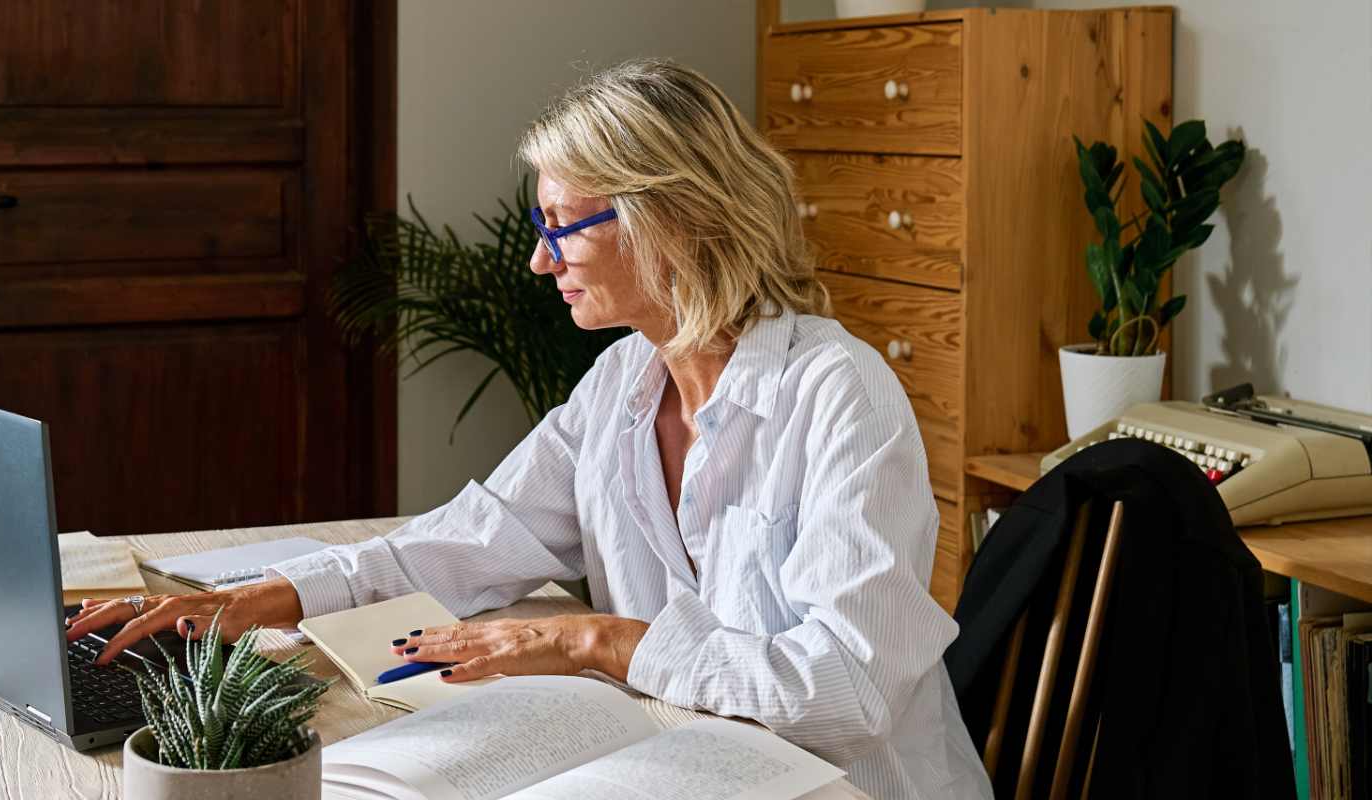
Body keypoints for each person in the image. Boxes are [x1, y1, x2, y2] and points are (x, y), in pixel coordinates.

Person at [67, 58, 991, 798]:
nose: (540, 259)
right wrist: (257, 601)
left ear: (669, 217)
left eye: (561, 226)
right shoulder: (625, 381)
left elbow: (850, 691)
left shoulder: (840, 395)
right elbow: (467, 541)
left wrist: (597, 640)